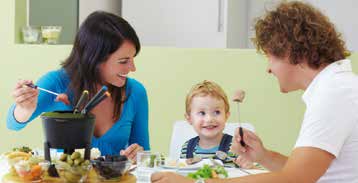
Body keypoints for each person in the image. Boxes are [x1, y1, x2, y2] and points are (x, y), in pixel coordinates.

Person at [151, 1, 358, 183]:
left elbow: (295, 179)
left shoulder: (333, 95)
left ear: (290, 52)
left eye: (270, 57)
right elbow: (308, 172)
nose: (268, 68)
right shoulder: (337, 87)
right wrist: (264, 156)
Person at [7, 11, 149, 160]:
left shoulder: (135, 92)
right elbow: (12, 124)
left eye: (132, 59)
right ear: (95, 57)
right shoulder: (57, 83)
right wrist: (25, 108)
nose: (133, 68)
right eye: (123, 61)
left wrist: (137, 153)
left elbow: (143, 152)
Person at [180, 80, 253, 168]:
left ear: (226, 116)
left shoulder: (236, 147)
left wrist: (250, 167)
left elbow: (260, 175)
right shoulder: (186, 148)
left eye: (217, 112)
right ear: (189, 119)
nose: (209, 119)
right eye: (202, 113)